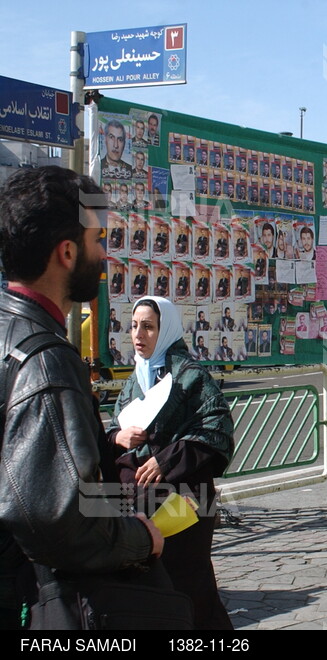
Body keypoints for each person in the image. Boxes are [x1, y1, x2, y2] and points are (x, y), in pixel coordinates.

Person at [0, 167, 163, 629]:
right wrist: (140, 539)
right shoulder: (46, 362)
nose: (106, 254)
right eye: (98, 240)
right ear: (67, 253)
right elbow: (56, 520)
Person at [105, 296, 234, 628]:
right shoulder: (135, 380)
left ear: (165, 330)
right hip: (139, 505)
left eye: (148, 327)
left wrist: (166, 460)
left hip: (184, 504)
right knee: (148, 595)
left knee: (190, 588)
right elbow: (113, 428)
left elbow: (216, 429)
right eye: (134, 326)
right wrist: (117, 437)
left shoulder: (190, 377)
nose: (138, 335)